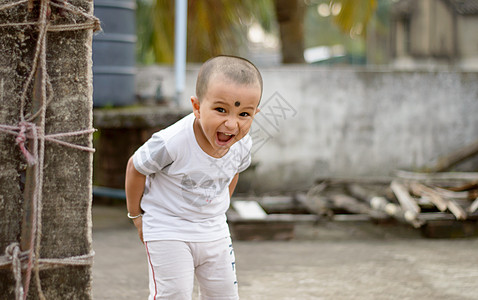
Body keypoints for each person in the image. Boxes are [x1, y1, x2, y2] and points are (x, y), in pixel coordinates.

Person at [125, 55, 262, 300]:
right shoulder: (172, 142)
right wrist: (136, 216)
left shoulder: (243, 145)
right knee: (174, 294)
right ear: (197, 107)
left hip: (214, 231)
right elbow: (135, 167)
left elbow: (233, 174)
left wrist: (218, 209)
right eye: (221, 110)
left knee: (224, 296)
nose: (232, 124)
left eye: (244, 114)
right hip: (168, 228)